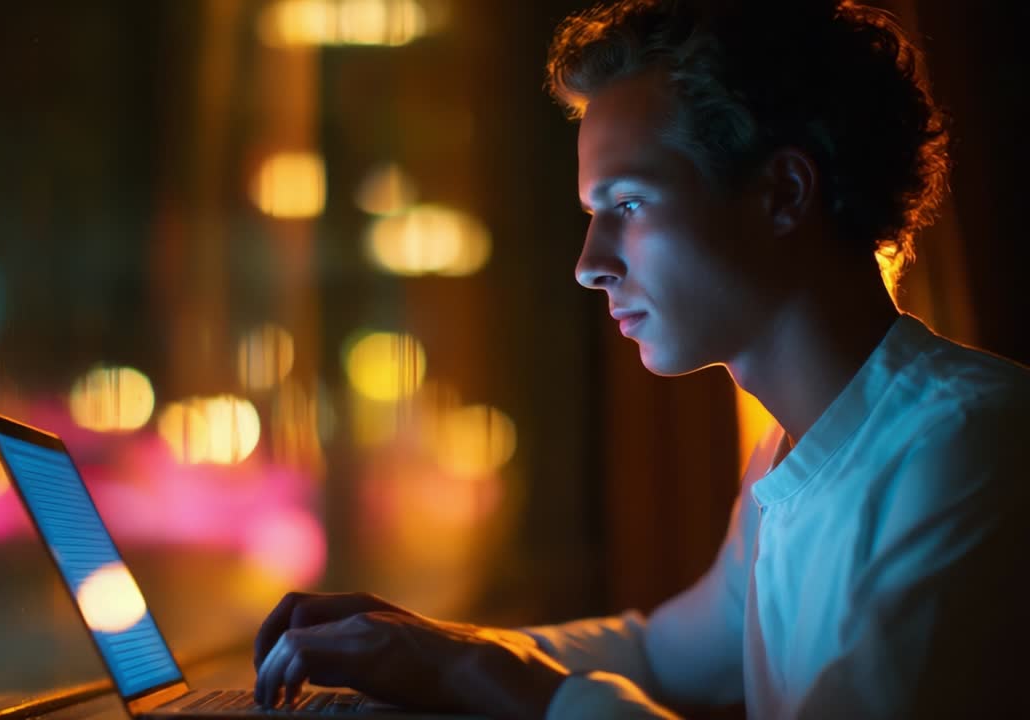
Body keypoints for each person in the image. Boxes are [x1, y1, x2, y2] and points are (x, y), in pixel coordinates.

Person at [252, 1, 1030, 717]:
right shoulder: (784, 464)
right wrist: (418, 642)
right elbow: (663, 653)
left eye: (626, 206)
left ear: (784, 193)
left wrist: (476, 677)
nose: (589, 264)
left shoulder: (970, 445)